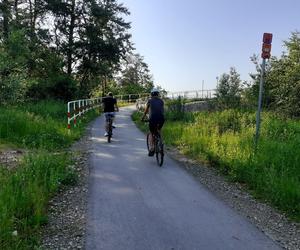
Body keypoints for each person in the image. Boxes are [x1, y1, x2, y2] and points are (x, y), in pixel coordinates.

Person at [141, 88, 165, 156]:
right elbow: (162, 111)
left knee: (151, 133)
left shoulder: (150, 101)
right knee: (159, 130)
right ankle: (161, 142)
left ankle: (152, 148)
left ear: (151, 94)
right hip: (161, 118)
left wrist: (142, 118)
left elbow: (146, 111)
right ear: (158, 94)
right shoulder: (161, 101)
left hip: (153, 119)